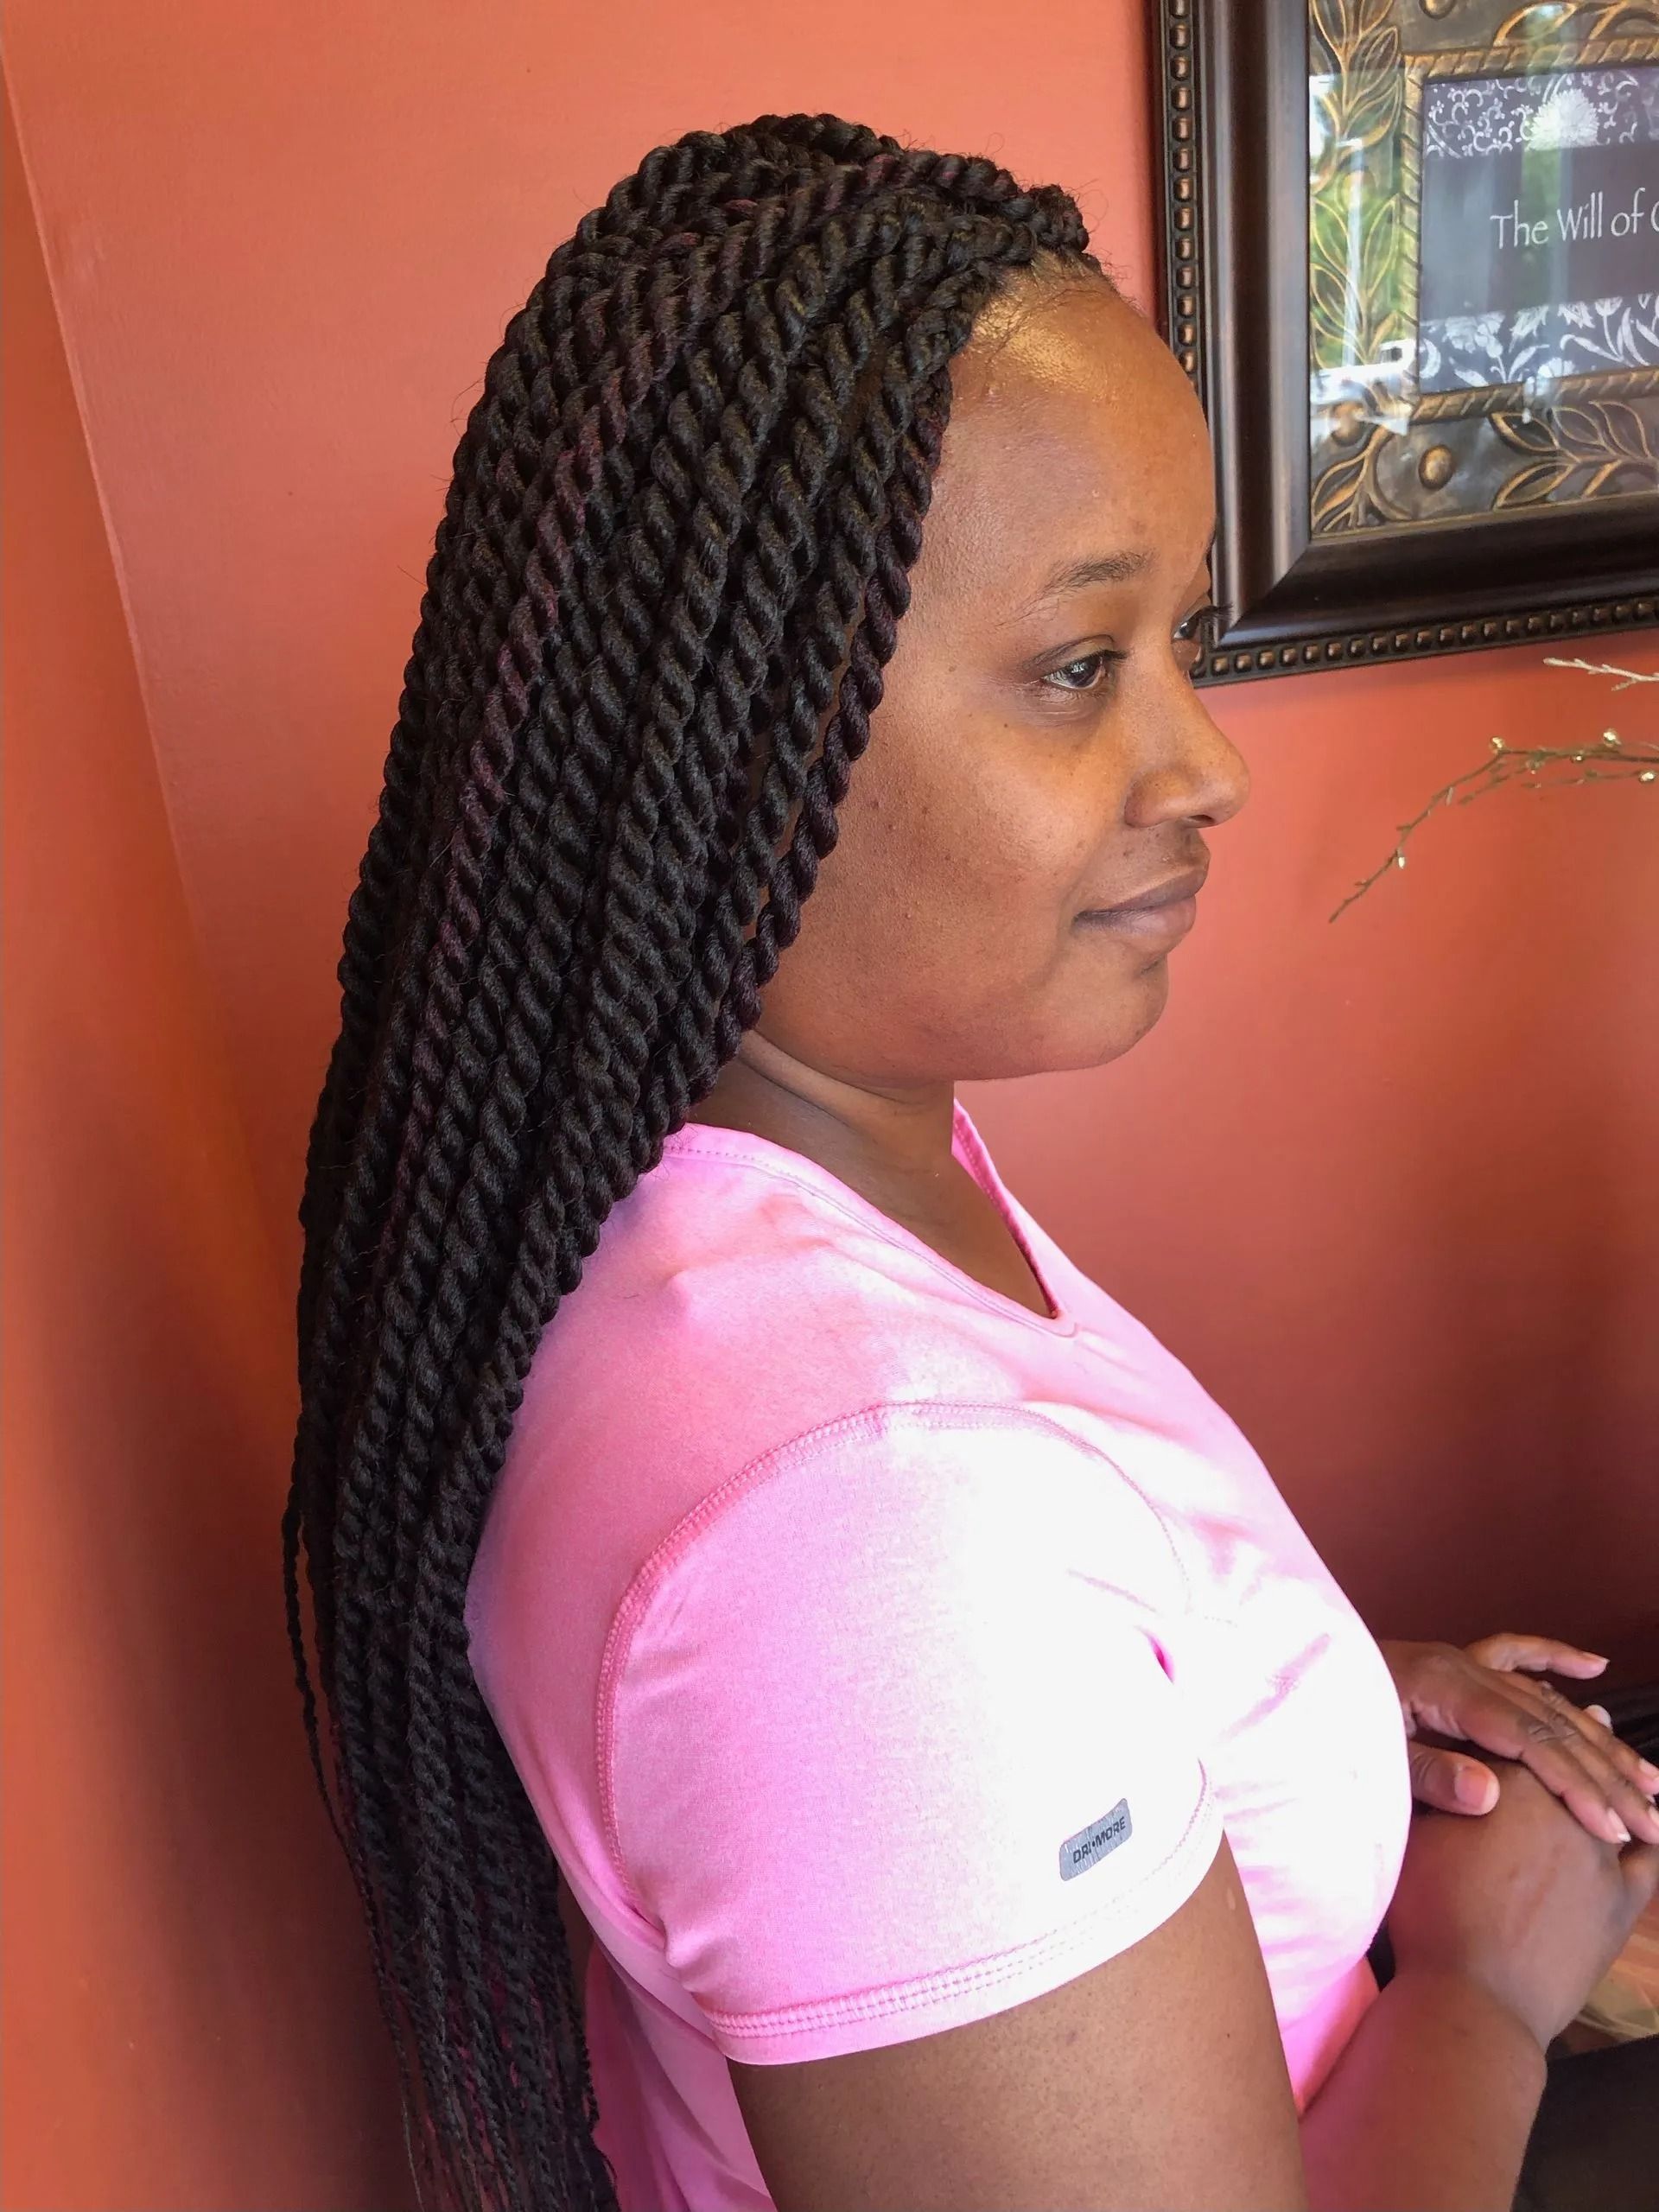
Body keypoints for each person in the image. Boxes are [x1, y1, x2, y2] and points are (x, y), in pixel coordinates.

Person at [284, 114, 1659, 2212]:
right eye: (1084, 664)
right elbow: (903, 1646)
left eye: (1180, 644)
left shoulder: (753, 1169)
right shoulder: (868, 1543)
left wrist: (1265, 1689)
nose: (1205, 763)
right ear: (743, 742)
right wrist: (1485, 1977)